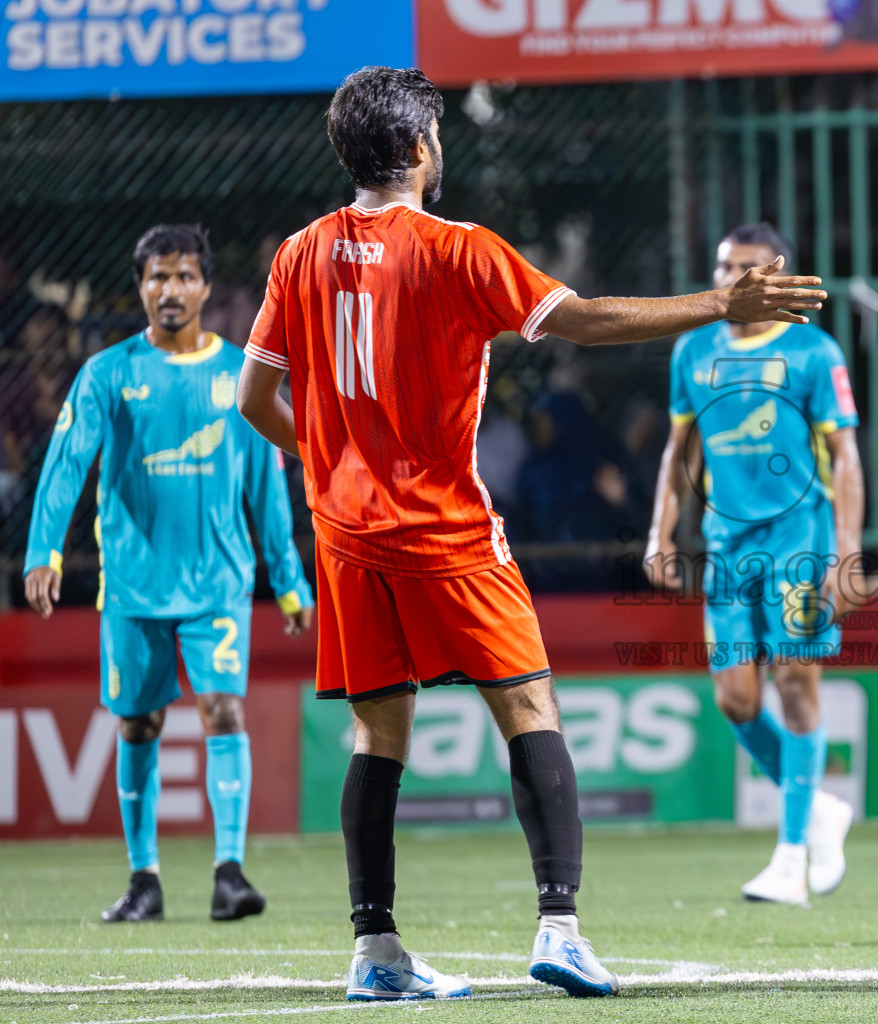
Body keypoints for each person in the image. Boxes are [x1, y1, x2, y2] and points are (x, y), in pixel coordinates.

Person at [235, 66, 826, 1001]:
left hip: (345, 533)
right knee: (528, 708)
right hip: (448, 530)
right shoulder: (457, 248)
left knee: (375, 736)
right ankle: (559, 927)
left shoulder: (298, 252)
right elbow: (583, 320)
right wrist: (723, 304)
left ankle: (375, 953)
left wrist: (333, 463)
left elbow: (253, 397)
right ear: (424, 147)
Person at [23, 224, 315, 924]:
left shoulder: (240, 375)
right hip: (132, 587)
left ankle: (230, 872)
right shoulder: (109, 374)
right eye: (158, 277)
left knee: (222, 709)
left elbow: (267, 489)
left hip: (216, 586)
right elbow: (67, 463)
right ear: (141, 287)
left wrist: (290, 579)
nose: (171, 290)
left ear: (207, 287)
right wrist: (44, 550)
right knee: (140, 725)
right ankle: (144, 879)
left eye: (185, 277)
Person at [645, 223, 865, 906]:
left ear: (775, 276)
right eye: (723, 267)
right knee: (735, 699)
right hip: (727, 547)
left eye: (747, 268)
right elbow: (678, 451)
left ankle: (792, 854)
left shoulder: (812, 350)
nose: (732, 279)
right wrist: (660, 532)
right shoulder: (693, 349)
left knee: (796, 683)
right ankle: (821, 809)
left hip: (800, 538)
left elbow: (848, 460)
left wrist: (848, 551)